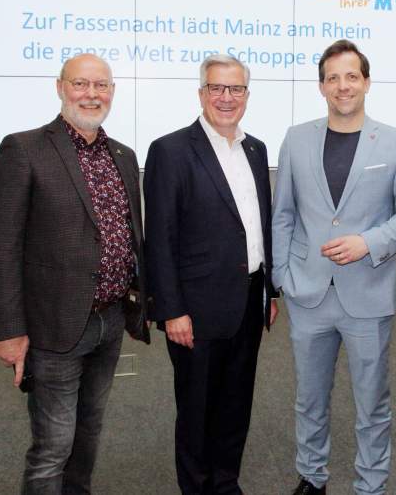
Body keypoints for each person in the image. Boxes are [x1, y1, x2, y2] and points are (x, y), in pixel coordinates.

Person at [0, 53, 148, 493]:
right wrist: (8, 330)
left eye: (101, 85)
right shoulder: (24, 149)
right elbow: (0, 246)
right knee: (53, 445)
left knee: (88, 432)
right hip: (53, 325)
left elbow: (130, 236)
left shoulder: (123, 156)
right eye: (80, 84)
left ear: (112, 92)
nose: (91, 94)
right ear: (60, 88)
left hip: (110, 321)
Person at [272, 39, 396, 495]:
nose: (343, 86)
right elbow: (283, 213)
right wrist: (281, 278)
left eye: (351, 76)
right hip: (308, 293)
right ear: (322, 86)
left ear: (367, 82)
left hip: (368, 294)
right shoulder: (296, 139)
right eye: (333, 78)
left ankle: (370, 485)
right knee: (309, 399)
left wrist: (368, 243)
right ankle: (312, 477)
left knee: (372, 403)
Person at [144, 54, 279, 495]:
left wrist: (270, 292)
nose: (226, 97)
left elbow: (259, 226)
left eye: (235, 89)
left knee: (236, 404)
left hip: (249, 299)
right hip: (195, 310)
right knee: (197, 410)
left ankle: (225, 483)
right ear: (201, 93)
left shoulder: (256, 149)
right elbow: (159, 238)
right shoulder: (170, 151)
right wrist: (172, 310)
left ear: (247, 95)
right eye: (217, 88)